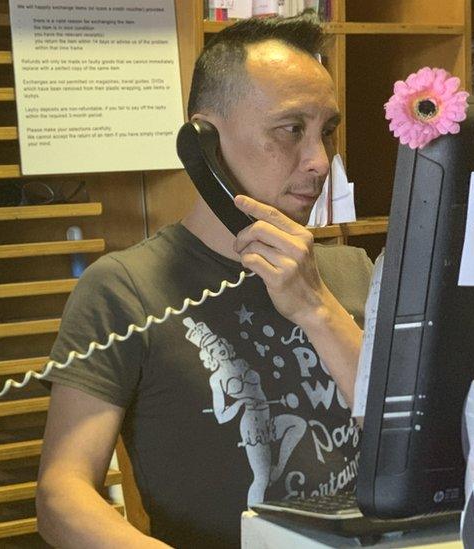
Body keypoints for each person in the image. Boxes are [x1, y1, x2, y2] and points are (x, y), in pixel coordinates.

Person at [35, 14, 375, 548]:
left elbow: (417, 447)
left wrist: (318, 310)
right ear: (204, 145)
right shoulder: (125, 288)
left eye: (326, 132)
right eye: (291, 131)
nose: (319, 161)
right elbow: (62, 495)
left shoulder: (352, 272)